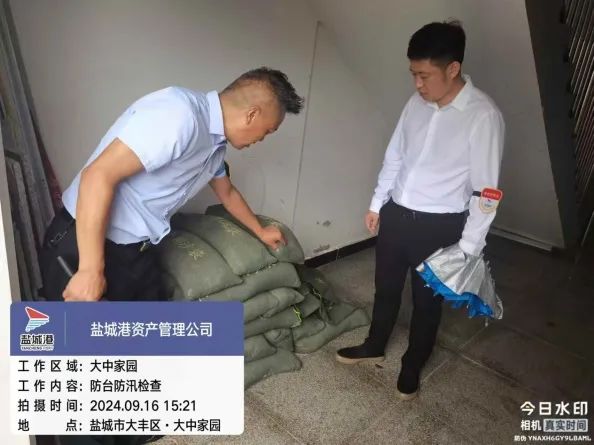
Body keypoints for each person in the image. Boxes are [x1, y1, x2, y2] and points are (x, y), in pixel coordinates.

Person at [37, 67, 303, 445]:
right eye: (268, 130)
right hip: (88, 244)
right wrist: (90, 269)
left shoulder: (214, 145)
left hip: (135, 249)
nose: (263, 138)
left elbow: (227, 193)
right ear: (252, 114)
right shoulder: (179, 114)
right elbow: (98, 176)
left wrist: (260, 231)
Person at [335, 21, 504, 400]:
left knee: (426, 303)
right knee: (385, 288)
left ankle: (412, 364)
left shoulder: (483, 115)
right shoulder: (416, 104)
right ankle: (374, 344)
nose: (417, 84)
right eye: (413, 74)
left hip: (439, 227)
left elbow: (486, 192)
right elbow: (395, 155)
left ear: (453, 69)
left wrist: (468, 249)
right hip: (397, 215)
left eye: (424, 75)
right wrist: (377, 203)